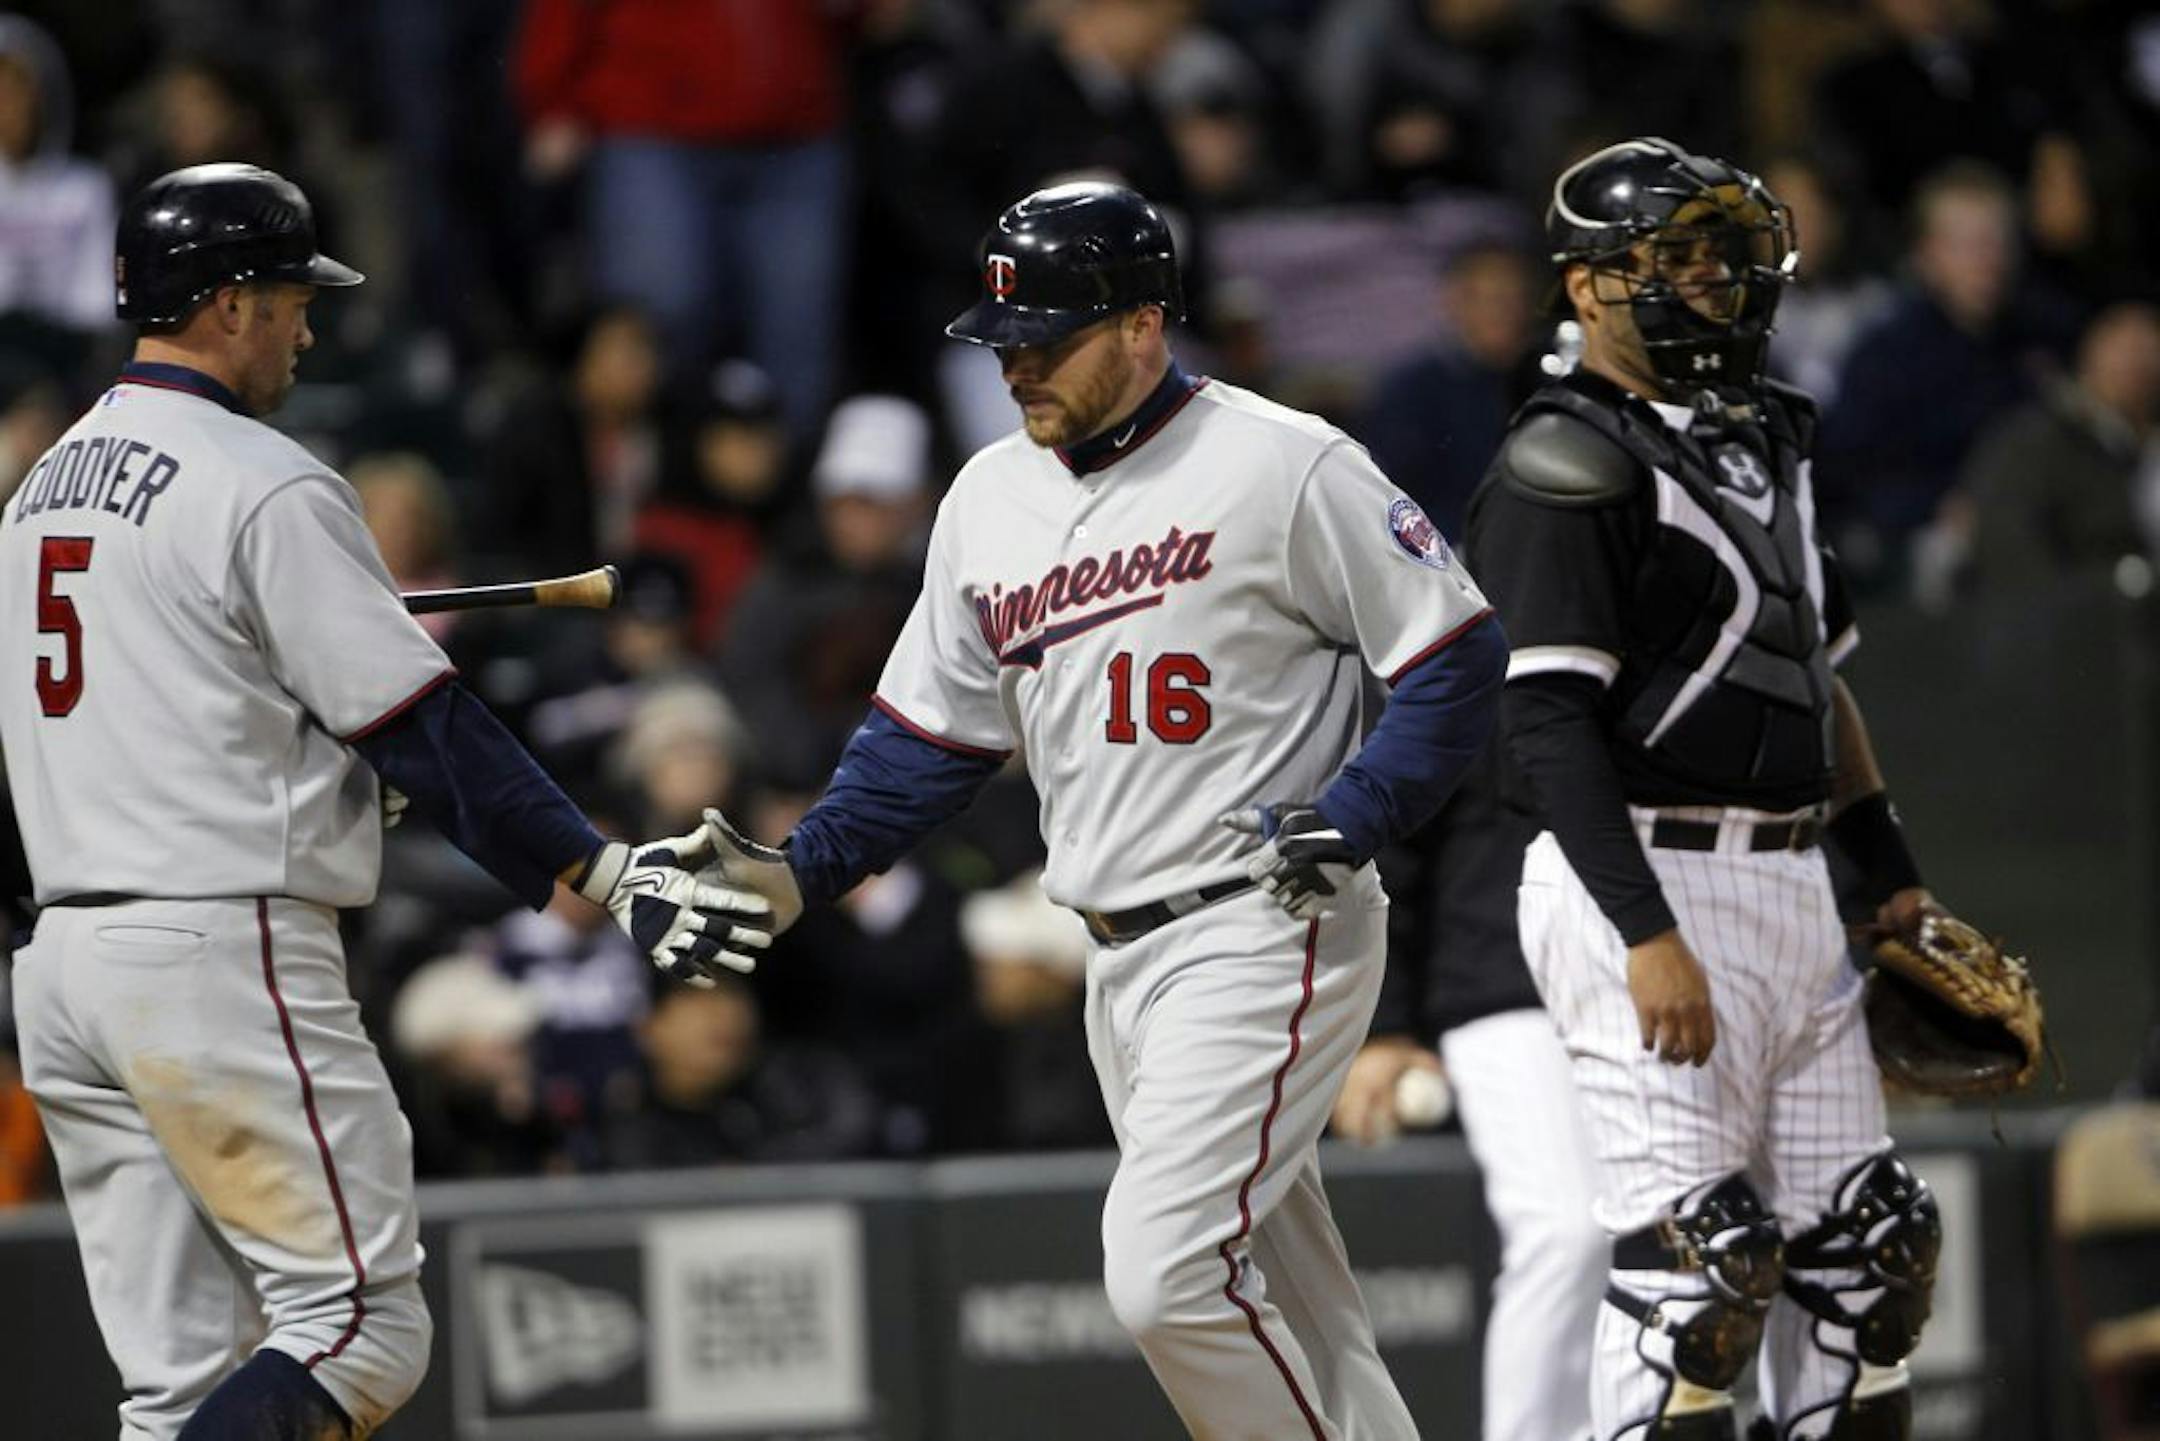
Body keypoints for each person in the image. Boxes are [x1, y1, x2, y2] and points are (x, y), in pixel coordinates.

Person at [693, 180, 1509, 1439]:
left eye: (1048, 337)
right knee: (1295, 1297)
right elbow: (927, 738)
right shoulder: (984, 499)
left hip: (1261, 919)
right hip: (1114, 953)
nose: (1018, 364)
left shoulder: (1281, 461)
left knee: (1167, 1275)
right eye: (1004, 340)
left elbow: (1453, 652)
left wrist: (1363, 803)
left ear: (1142, 324)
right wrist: (805, 867)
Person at [0, 163, 774, 1441]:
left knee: (176, 1387)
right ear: (231, 302)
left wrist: (304, 781)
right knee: (358, 1327)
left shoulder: (35, 496)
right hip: (214, 948)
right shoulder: (263, 477)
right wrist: (603, 870)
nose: (308, 326)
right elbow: (426, 725)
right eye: (293, 296)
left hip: (67, 961)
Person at [1465, 138, 1944, 1438]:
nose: (1711, 282)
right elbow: (1545, 720)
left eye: (1722, 254)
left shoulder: (1767, 434)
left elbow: (1815, 682)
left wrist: (1888, 875)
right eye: (1671, 257)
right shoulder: (1563, 460)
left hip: (1795, 874)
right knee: (1700, 1281)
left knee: (1873, 1254)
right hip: (1648, 874)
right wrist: (1644, 933)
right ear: (1587, 289)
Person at [1331, 746, 1605, 1441]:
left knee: (1665, 1250)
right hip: (1500, 984)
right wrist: (1382, 1023)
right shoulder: (1477, 648)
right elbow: (1389, 846)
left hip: (1644, 982)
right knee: (1566, 1228)